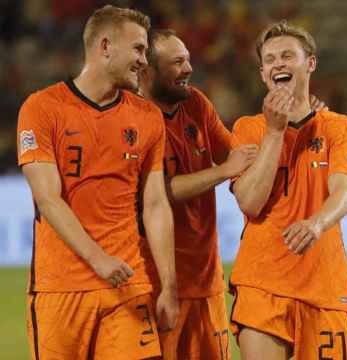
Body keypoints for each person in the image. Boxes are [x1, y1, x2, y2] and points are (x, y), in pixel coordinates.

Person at [17, 5, 178, 359]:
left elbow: (154, 204)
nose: (144, 61)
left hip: (129, 284)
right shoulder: (42, 108)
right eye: (137, 49)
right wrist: (98, 259)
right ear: (105, 46)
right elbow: (48, 199)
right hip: (61, 287)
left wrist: (169, 286)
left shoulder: (147, 117)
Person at [229, 21, 347, 360]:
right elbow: (250, 202)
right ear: (262, 74)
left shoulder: (337, 127)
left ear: (310, 64)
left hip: (325, 285)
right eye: (270, 59)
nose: (279, 64)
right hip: (262, 283)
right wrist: (275, 132)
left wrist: (316, 223)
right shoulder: (248, 128)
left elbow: (344, 191)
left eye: (288, 55)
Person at [138, 29, 257, 360]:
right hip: (156, 284)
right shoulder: (133, 118)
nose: (189, 68)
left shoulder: (196, 104)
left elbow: (236, 154)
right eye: (177, 62)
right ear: (148, 71)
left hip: (206, 282)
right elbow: (159, 191)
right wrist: (223, 171)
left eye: (188, 58)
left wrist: (284, 131)